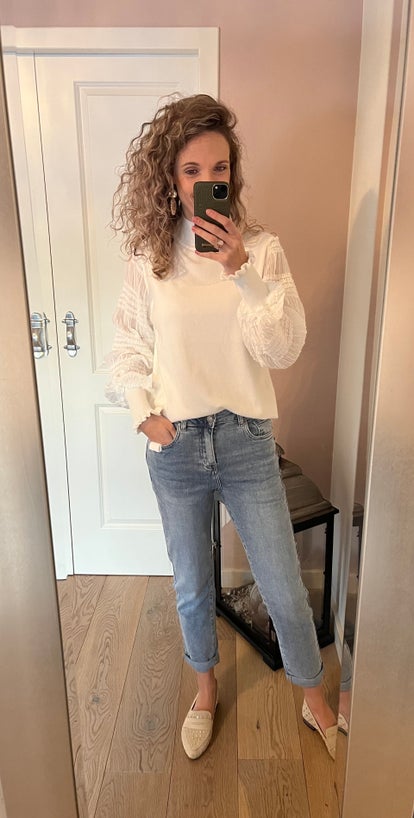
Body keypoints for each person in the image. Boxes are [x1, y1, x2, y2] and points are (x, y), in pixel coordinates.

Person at [106, 94, 337, 760]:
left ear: (233, 175)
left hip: (245, 442)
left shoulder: (261, 251)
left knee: (283, 584)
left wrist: (241, 272)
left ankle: (314, 696)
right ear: (171, 180)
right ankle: (204, 689)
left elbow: (282, 348)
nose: (209, 180)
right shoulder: (149, 262)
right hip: (176, 446)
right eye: (192, 170)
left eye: (220, 168)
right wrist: (144, 414)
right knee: (191, 584)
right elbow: (126, 347)